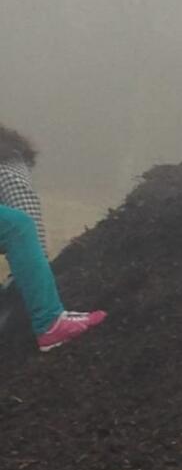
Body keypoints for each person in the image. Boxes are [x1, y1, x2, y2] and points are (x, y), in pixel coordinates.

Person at [0, 125, 105, 350]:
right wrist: (33, 274)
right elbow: (26, 221)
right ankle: (50, 323)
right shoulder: (10, 167)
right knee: (16, 225)